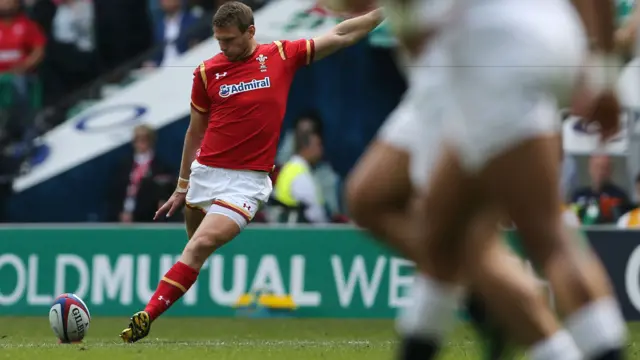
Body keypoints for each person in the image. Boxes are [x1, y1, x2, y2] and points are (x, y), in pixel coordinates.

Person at [119, 1, 384, 343]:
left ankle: (146, 316)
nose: (223, 48)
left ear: (251, 32)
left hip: (246, 183)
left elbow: (342, 33)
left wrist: (389, 12)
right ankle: (163, 300)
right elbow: (194, 132)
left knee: (199, 245)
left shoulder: (281, 56)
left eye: (229, 40)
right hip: (205, 173)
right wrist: (183, 185)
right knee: (194, 249)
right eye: (219, 41)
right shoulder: (205, 72)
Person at [388, 0, 626, 359]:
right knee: (440, 234)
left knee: (548, 238)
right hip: (553, 31)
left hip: (494, 51)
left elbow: (411, 31)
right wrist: (603, 72)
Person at [345, 31, 582, 360]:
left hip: (469, 77)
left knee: (468, 242)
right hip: (436, 79)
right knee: (368, 198)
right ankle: (484, 295)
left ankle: (519, 318)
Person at [272, 131, 328, 223]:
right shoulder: (300, 174)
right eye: (318, 145)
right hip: (303, 231)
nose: (321, 150)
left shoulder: (290, 167)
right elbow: (314, 213)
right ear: (305, 148)